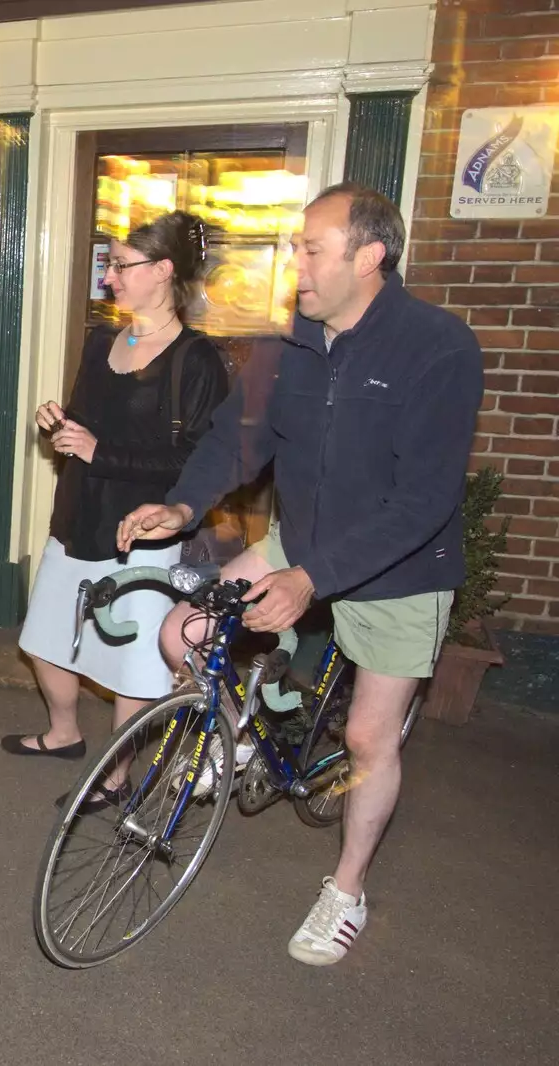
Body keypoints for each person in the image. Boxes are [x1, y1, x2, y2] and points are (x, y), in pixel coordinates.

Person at [119, 183, 484, 966]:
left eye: (313, 249)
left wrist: (312, 579)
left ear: (370, 255)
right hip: (304, 539)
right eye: (297, 248)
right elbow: (236, 441)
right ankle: (231, 744)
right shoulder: (294, 344)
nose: (297, 265)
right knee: (182, 633)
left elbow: (423, 500)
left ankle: (345, 890)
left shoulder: (437, 347)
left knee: (366, 738)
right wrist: (183, 508)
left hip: (401, 567)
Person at [3, 211, 227, 809]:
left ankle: (115, 774)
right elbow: (84, 427)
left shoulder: (195, 361)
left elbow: (197, 463)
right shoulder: (101, 340)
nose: (109, 279)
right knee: (45, 637)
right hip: (79, 514)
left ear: (162, 271)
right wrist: (63, 428)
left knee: (133, 663)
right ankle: (64, 732)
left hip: (145, 531)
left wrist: (102, 451)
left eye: (121, 267)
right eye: (111, 266)